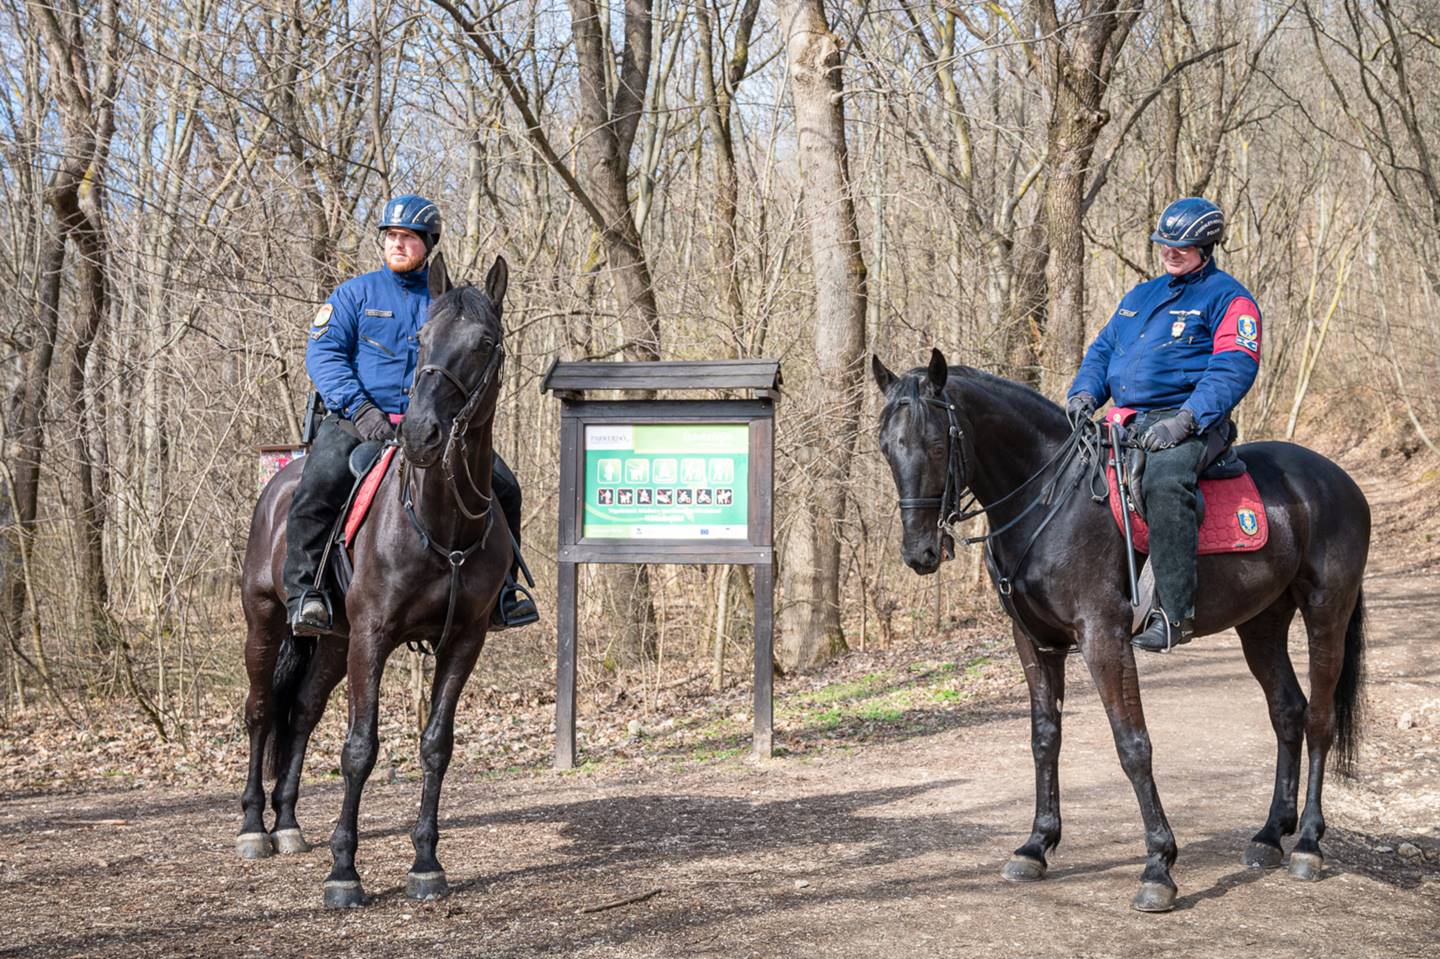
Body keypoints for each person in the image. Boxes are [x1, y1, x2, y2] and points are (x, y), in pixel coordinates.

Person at [283, 193, 538, 635]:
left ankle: (503, 594)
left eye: (408, 237)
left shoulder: (445, 302)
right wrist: (361, 409)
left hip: (435, 428)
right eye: (391, 236)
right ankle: (306, 593)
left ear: (429, 243)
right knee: (319, 482)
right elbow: (323, 356)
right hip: (357, 421)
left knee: (505, 487)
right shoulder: (354, 295)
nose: (397, 244)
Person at [1065, 197, 1261, 653]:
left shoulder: (1230, 299)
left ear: (1206, 246)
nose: (1170, 251)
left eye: (1182, 245)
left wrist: (1186, 421)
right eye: (1164, 243)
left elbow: (1233, 367)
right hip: (1127, 419)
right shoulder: (1140, 296)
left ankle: (1174, 614)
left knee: (1164, 483)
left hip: (1190, 422)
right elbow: (1102, 351)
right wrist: (1084, 394)